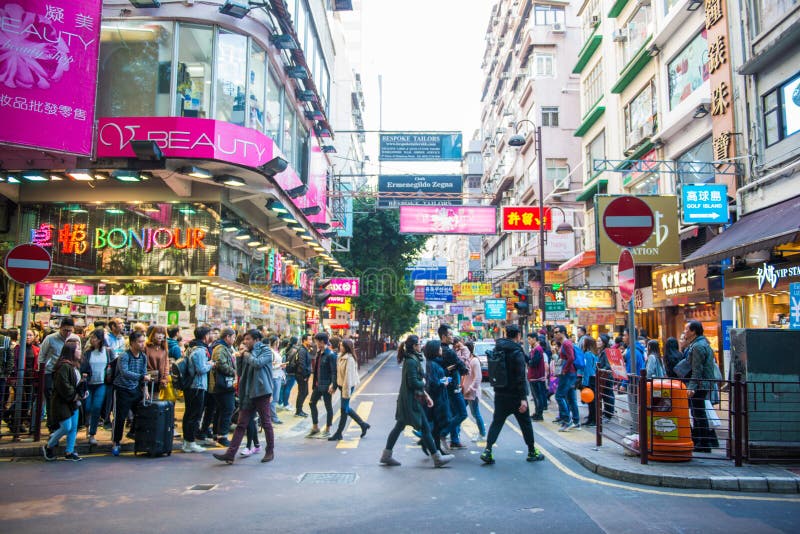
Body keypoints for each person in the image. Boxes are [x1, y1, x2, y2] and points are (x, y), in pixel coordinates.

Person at [379, 335, 453, 468]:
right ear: (414, 346)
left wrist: (426, 396)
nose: (421, 346)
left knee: (400, 427)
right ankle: (437, 458)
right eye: (419, 344)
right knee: (424, 428)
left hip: (410, 399)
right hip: (411, 401)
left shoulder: (412, 359)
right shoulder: (412, 361)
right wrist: (423, 382)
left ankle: (386, 455)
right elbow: (413, 382)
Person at [480, 325, 545, 464]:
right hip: (515, 395)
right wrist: (523, 398)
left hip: (500, 393)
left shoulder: (497, 348)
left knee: (497, 422)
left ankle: (488, 450)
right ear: (518, 336)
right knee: (525, 423)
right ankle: (532, 451)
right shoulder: (516, 352)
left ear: (506, 333)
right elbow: (520, 377)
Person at [213, 329, 275, 464]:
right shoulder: (247, 353)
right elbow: (240, 371)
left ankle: (270, 451)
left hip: (261, 391)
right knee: (241, 424)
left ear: (256, 340)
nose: (245, 342)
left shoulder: (265, 351)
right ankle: (230, 454)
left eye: (248, 339)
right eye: (244, 339)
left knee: (266, 422)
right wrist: (239, 358)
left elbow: (257, 363)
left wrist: (245, 353)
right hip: (247, 391)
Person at [42, 341, 87, 461]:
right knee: (66, 426)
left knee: (73, 427)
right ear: (71, 352)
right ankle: (49, 446)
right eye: (77, 349)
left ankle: (69, 451)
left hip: (73, 401)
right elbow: (64, 386)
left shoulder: (74, 365)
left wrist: (82, 391)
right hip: (63, 402)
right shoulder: (64, 366)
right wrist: (76, 395)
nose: (80, 351)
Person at [110, 332, 151, 456]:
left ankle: (133, 433)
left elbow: (144, 372)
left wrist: (146, 390)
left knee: (141, 413)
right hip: (122, 389)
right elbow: (124, 372)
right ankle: (116, 442)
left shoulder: (143, 357)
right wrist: (141, 377)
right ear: (132, 342)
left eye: (143, 341)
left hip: (135, 389)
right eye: (140, 341)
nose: (142, 344)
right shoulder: (124, 356)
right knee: (120, 418)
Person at [684, 321, 717, 453]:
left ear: (693, 331)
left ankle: (703, 442)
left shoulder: (698, 346)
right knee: (697, 412)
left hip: (699, 384)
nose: (685, 332)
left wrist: (691, 387)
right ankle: (700, 440)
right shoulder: (700, 344)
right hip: (702, 383)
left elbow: (696, 369)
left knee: (698, 413)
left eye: (686, 330)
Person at [329, 338, 369, 441]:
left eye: (342, 345)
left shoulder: (349, 359)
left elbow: (348, 378)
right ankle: (363, 425)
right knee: (346, 408)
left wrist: (346, 392)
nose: (340, 347)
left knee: (343, 410)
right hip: (342, 385)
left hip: (347, 386)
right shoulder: (340, 356)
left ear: (347, 347)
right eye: (340, 345)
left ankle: (339, 433)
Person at [183, 326, 215, 453]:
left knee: (190, 414)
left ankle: (188, 442)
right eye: (210, 333)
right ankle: (190, 442)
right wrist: (211, 364)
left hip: (192, 386)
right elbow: (201, 369)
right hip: (197, 386)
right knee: (194, 415)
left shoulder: (191, 347)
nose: (211, 336)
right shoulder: (200, 350)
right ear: (205, 336)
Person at [39, 318, 75, 430]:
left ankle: (62, 424)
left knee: (63, 398)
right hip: (50, 372)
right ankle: (52, 424)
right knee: (50, 399)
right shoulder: (50, 339)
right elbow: (42, 356)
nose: (67, 333)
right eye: (65, 330)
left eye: (70, 330)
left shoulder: (74, 339)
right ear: (60, 328)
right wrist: (42, 371)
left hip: (66, 373)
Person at [80, 329, 113, 445]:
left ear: (100, 340)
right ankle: (87, 426)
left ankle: (92, 434)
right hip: (88, 384)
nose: (92, 340)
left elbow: (112, 366)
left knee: (96, 407)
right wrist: (83, 374)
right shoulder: (87, 352)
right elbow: (82, 367)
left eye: (95, 338)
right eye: (91, 338)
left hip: (102, 384)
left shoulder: (108, 352)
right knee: (87, 407)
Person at [438, 324, 468, 450]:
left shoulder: (439, 349)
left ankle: (454, 440)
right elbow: (462, 367)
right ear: (444, 336)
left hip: (447, 386)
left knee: (453, 413)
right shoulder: (449, 351)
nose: (452, 337)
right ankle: (443, 433)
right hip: (453, 387)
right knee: (462, 414)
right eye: (450, 334)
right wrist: (461, 367)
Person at [424, 340, 452, 454]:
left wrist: (445, 374)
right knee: (438, 424)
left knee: (438, 425)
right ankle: (434, 447)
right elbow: (433, 383)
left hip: (440, 397)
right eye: (439, 348)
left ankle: (434, 446)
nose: (441, 350)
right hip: (437, 399)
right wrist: (443, 382)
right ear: (435, 350)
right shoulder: (432, 364)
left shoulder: (435, 362)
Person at [306, 332, 337, 438]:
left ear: (322, 342)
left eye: (317, 341)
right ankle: (315, 427)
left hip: (327, 385)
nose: (315, 343)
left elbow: (334, 371)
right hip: (318, 385)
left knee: (328, 406)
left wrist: (333, 384)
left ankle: (328, 429)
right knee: (311, 403)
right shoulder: (319, 353)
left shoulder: (330, 354)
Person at [212, 328, 236, 447]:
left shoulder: (225, 348)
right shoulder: (220, 348)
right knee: (228, 409)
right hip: (223, 385)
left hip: (223, 384)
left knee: (222, 410)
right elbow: (221, 364)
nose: (234, 339)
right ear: (227, 337)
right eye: (233, 337)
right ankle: (222, 436)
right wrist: (234, 372)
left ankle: (217, 434)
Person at [554, 325, 580, 432]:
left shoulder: (566, 343)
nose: (555, 334)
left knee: (559, 396)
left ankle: (567, 421)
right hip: (570, 373)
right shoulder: (565, 343)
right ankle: (576, 421)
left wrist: (564, 370)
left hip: (568, 374)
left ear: (563, 332)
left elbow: (571, 358)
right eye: (554, 332)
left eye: (557, 332)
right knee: (571, 398)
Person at [461, 340, 485, 440]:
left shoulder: (474, 361)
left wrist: (470, 389)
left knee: (475, 413)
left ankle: (482, 434)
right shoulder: (467, 360)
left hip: (471, 393)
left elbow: (478, 378)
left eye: (463, 349)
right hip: (465, 392)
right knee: (459, 412)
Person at [526, 333, 547, 422]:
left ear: (535, 339)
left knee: (538, 396)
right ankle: (537, 413)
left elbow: (534, 363)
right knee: (536, 396)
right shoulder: (535, 349)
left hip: (537, 377)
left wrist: (528, 361)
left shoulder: (538, 349)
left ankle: (539, 414)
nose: (529, 341)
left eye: (530, 339)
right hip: (534, 377)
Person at [145, 326, 170, 396]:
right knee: (145, 401)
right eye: (158, 333)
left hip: (158, 379)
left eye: (162, 334)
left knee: (155, 402)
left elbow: (166, 365)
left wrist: (165, 378)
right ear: (153, 334)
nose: (160, 335)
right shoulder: (146, 347)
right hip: (146, 378)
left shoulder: (164, 349)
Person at [580, 337, 599, 427]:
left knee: (591, 400)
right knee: (593, 400)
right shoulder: (595, 354)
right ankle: (592, 419)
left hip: (589, 379)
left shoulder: (587, 354)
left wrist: (585, 383)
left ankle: (592, 420)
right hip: (594, 378)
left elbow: (587, 370)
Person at [596, 334, 615, 421]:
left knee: (608, 395)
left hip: (607, 377)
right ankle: (607, 412)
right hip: (603, 377)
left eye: (599, 341)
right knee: (605, 395)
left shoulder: (606, 352)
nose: (597, 342)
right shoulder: (601, 351)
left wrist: (600, 370)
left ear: (604, 342)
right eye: (597, 341)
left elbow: (608, 366)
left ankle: (609, 414)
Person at [293, 334, 312, 417]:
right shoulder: (302, 350)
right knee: (302, 392)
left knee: (305, 392)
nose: (311, 341)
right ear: (304, 340)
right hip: (301, 375)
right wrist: (304, 376)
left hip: (304, 375)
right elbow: (301, 364)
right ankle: (298, 411)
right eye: (310, 340)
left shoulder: (305, 349)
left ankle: (299, 410)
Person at [268, 335, 286, 425]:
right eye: (278, 341)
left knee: (275, 398)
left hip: (277, 376)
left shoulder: (275, 351)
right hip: (274, 377)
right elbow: (270, 366)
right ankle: (273, 417)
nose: (279, 343)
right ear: (275, 342)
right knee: (274, 398)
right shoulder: (271, 352)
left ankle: (272, 417)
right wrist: (280, 365)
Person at [279, 336, 300, 410]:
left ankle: (282, 402)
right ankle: (286, 404)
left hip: (285, 371)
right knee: (288, 388)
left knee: (284, 387)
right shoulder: (295, 350)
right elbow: (295, 362)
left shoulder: (287, 349)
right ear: (296, 342)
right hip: (292, 372)